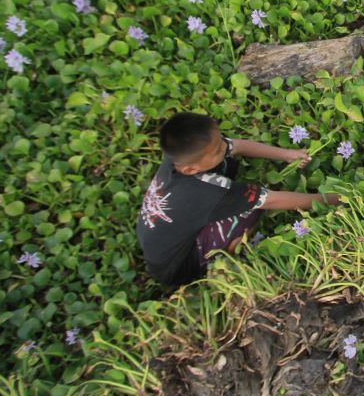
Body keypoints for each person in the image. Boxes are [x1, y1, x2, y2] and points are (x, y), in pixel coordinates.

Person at [137, 112, 340, 287]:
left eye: (221, 140)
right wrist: (334, 199)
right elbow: (271, 200)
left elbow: (235, 146)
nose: (224, 146)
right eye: (217, 149)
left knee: (227, 166)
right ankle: (231, 256)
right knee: (249, 209)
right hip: (180, 266)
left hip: (162, 242)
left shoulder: (182, 159)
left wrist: (286, 154)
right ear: (190, 170)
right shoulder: (209, 190)